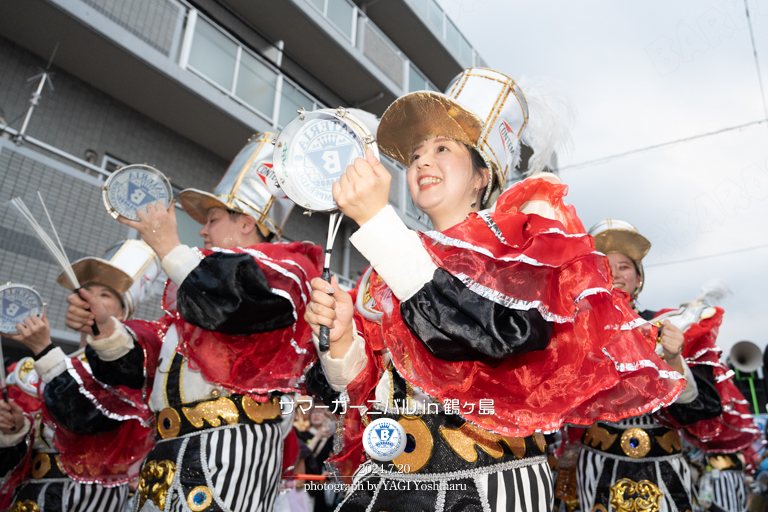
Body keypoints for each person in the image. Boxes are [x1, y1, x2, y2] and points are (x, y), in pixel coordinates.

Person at [304, 68, 687, 511]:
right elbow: (366, 393)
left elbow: (497, 335)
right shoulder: (385, 265)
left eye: (442, 148)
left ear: (482, 176)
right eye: (415, 154)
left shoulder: (519, 249)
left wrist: (377, 224)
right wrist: (342, 341)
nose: (423, 161)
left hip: (488, 489)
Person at [64, 133, 321, 512]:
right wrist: (105, 327)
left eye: (213, 219)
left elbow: (236, 305)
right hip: (167, 451)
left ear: (247, 223)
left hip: (231, 447)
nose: (202, 230)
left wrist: (169, 247)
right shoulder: (195, 291)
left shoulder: (287, 271)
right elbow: (144, 359)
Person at [577, 220, 728, 512]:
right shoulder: (575, 333)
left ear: (638, 278)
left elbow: (704, 408)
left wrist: (673, 359)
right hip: (598, 466)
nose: (616, 274)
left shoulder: (668, 325)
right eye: (605, 266)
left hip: (665, 466)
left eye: (624, 266)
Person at [0, 239, 162, 511]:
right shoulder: (29, 371)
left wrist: (43, 348)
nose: (91, 300)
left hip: (89, 500)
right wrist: (14, 430)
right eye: (86, 291)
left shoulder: (131, 371)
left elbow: (86, 418)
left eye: (105, 295)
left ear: (124, 312)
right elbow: (10, 464)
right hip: (27, 498)